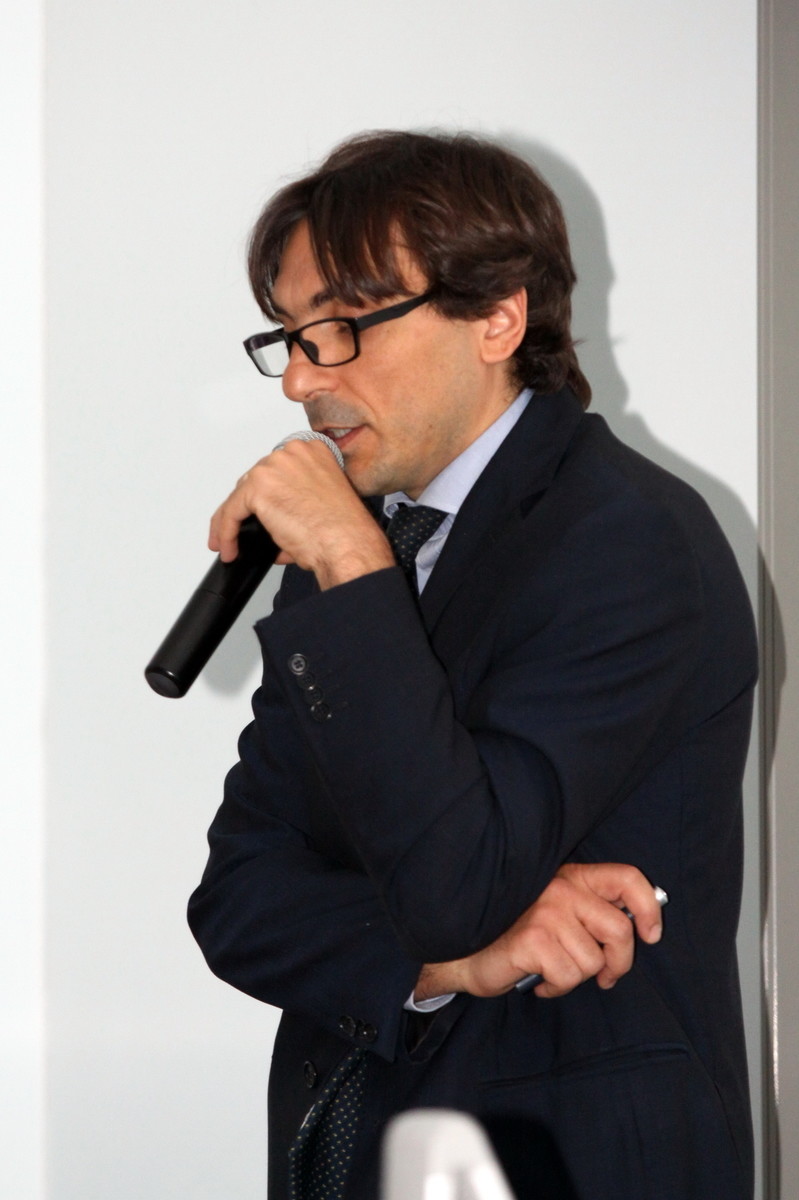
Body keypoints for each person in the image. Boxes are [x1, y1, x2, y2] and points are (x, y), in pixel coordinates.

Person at [187, 131, 757, 1200]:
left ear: (498, 317)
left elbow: (454, 882)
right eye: (291, 337)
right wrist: (450, 964)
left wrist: (349, 561)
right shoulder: (355, 560)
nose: (301, 380)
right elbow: (238, 900)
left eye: (343, 328)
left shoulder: (627, 539)